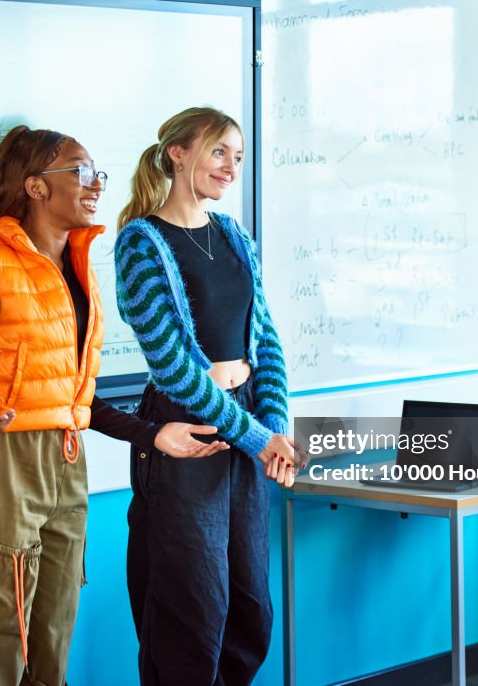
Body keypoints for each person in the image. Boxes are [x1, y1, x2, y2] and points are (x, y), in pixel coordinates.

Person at [0, 125, 228, 686]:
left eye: (97, 173)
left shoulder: (79, 266)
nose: (95, 185)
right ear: (36, 186)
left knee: (55, 628)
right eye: (81, 172)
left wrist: (152, 434)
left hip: (66, 462)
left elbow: (74, 397)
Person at [115, 107, 302, 686]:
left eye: (238, 156)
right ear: (177, 153)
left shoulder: (235, 236)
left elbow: (265, 337)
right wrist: (257, 436)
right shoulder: (141, 242)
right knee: (192, 609)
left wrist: (271, 426)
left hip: (246, 426)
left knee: (250, 608)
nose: (230, 166)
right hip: (185, 432)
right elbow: (173, 369)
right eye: (219, 151)